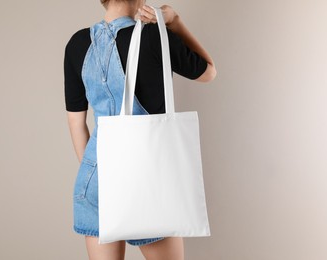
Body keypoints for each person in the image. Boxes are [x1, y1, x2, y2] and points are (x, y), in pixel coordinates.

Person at [63, 0, 216, 259]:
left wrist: (107, 178)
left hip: (96, 180)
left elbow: (76, 123)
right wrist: (174, 20)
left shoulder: (77, 44)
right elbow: (208, 72)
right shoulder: (155, 37)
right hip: (149, 182)